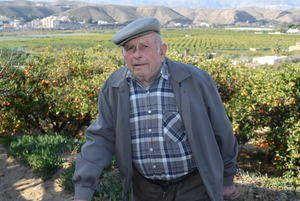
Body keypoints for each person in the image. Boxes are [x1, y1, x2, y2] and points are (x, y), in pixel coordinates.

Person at [73, 17, 238, 201]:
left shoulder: (195, 80)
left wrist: (226, 178)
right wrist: (83, 187)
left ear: (162, 51)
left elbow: (222, 130)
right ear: (123, 55)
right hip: (145, 190)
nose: (137, 55)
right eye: (130, 48)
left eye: (144, 46)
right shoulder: (114, 86)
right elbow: (101, 137)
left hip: (194, 188)